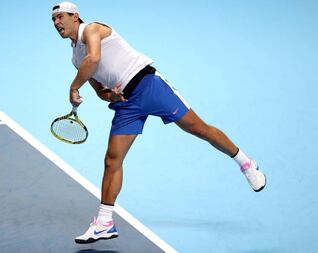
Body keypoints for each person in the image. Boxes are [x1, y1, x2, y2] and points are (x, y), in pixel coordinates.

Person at [51, 1, 266, 244]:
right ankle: (104, 223)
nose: (57, 23)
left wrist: (72, 87)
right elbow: (100, 90)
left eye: (60, 17)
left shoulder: (92, 29)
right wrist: (110, 95)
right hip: (127, 103)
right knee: (112, 159)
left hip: (150, 86)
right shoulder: (75, 57)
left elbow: (94, 59)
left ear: (75, 16)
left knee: (200, 130)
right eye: (54, 20)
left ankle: (245, 163)